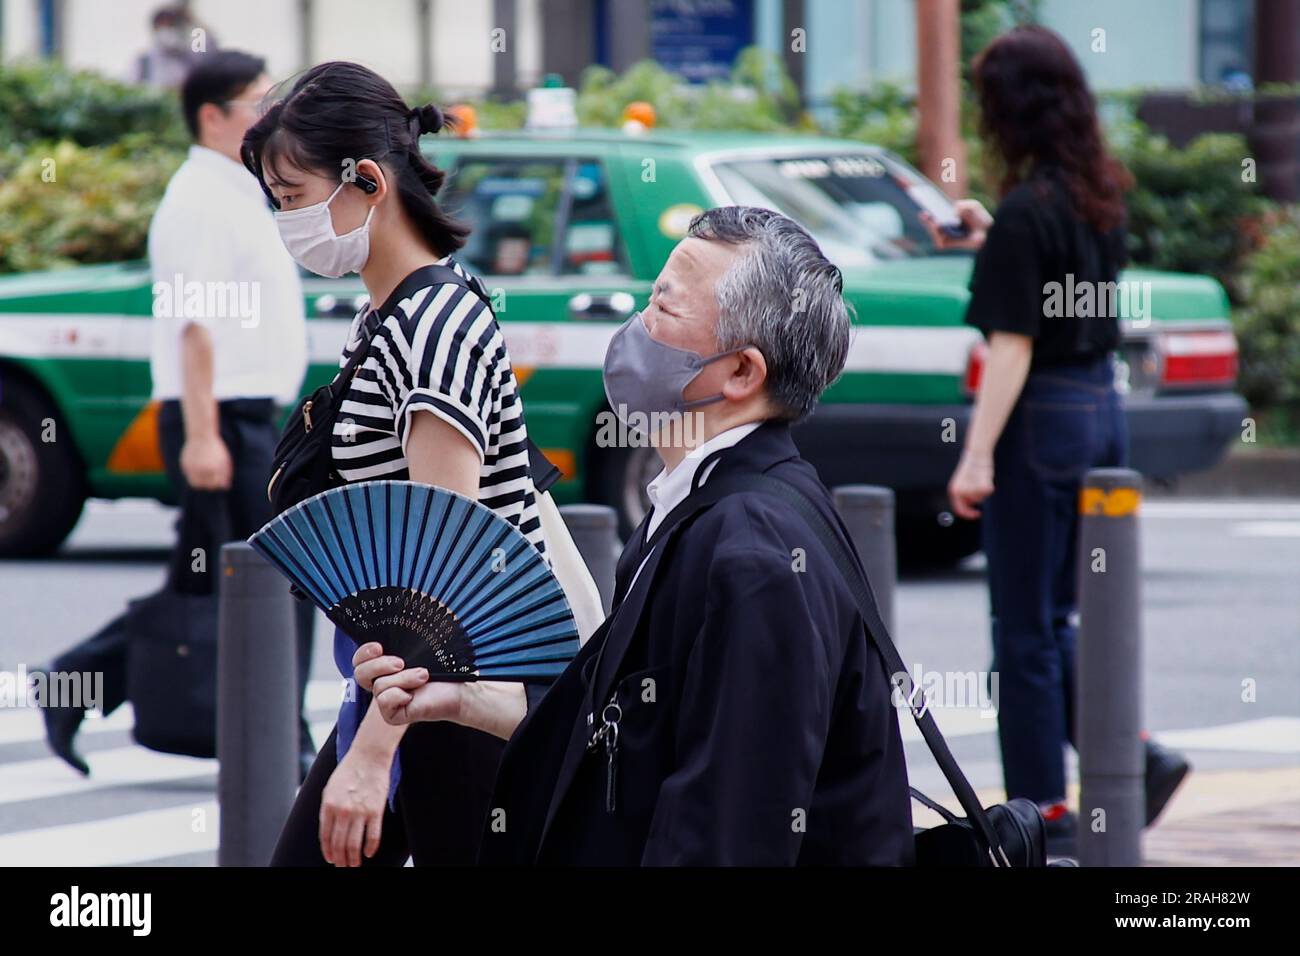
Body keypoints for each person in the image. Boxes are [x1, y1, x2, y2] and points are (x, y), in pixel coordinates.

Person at [357, 206, 916, 866]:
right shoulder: (706, 504)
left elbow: (729, 831)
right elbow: (638, 728)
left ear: (741, 373)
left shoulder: (756, 552)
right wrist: (466, 700)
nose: (635, 329)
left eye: (663, 308)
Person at [243, 61, 552, 867]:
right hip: (409, 689)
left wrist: (373, 755)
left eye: (292, 197)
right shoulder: (394, 311)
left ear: (368, 181)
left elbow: (442, 567)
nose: (285, 222)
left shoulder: (432, 325)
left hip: (458, 692)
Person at [922, 25, 1190, 856]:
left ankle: (1042, 816)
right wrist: (986, 234)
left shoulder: (1028, 213)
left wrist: (973, 457)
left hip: (1039, 422)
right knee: (1062, 615)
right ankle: (1135, 760)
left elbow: (1013, 343)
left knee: (1023, 629)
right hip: (1099, 413)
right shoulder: (1094, 193)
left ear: (1011, 110)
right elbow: (1049, 277)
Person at [32, 50, 316, 781]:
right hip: (219, 419)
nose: (270, 111)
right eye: (258, 100)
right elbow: (194, 327)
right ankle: (284, 735)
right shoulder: (198, 201)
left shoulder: (236, 190)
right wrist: (199, 436)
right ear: (213, 116)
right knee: (277, 574)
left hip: (243, 414)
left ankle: (73, 682)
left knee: (208, 582)